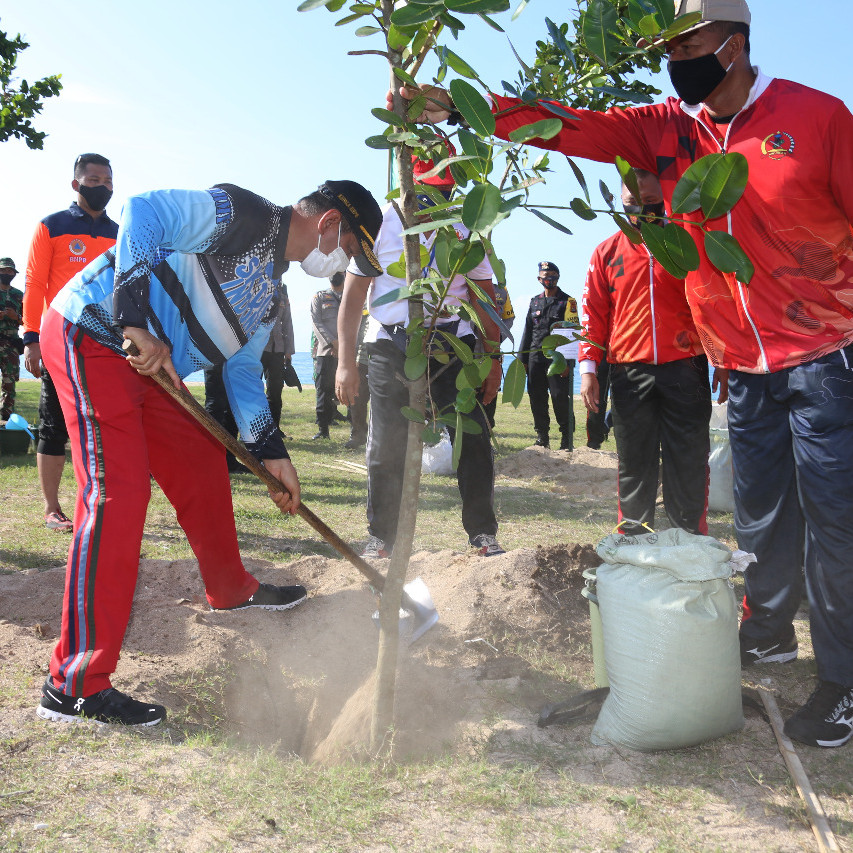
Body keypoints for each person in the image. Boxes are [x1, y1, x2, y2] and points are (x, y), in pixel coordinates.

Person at [396, 0, 853, 747]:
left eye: (689, 41)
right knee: (763, 515)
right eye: (667, 44)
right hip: (740, 368)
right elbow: (568, 122)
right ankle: (767, 632)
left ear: (733, 46)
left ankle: (841, 681)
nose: (675, 56)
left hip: (826, 357)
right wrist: (459, 108)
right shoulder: (664, 130)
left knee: (835, 523)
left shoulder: (818, 117)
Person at [35, 179, 382, 727]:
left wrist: (272, 453)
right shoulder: (242, 215)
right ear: (330, 225)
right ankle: (73, 683)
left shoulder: (270, 290)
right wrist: (133, 320)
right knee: (117, 496)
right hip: (96, 335)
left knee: (200, 462)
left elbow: (241, 370)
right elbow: (144, 211)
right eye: (351, 252)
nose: (343, 265)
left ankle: (231, 589)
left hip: (154, 370)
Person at [336, 163, 505, 558]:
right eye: (428, 196)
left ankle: (482, 533)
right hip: (391, 347)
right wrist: (345, 363)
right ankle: (382, 537)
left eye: (445, 195)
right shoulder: (379, 224)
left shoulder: (467, 229)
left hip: (451, 346)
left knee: (473, 438)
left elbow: (485, 298)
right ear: (409, 189)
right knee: (386, 445)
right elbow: (352, 300)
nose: (436, 206)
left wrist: (493, 360)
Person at [580, 170, 714, 535]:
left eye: (651, 203)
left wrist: (727, 360)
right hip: (628, 372)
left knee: (687, 460)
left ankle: (689, 542)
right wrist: (589, 369)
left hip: (687, 369)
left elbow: (715, 304)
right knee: (634, 462)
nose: (641, 211)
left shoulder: (689, 244)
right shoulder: (606, 252)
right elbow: (593, 313)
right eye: (631, 204)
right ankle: (633, 542)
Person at [22, 153, 119, 533]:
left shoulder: (120, 231)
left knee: (104, 426)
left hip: (107, 344)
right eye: (94, 180)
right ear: (76, 184)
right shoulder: (52, 226)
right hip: (60, 342)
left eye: (109, 181)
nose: (103, 187)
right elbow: (33, 284)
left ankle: (97, 501)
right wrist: (31, 339)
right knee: (54, 426)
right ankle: (51, 508)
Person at [518, 262, 579, 450]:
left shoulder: (568, 302)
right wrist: (523, 361)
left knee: (560, 397)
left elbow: (572, 333)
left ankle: (566, 438)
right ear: (539, 279)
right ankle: (542, 437)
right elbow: (528, 331)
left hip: (558, 358)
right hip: (535, 357)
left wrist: (569, 362)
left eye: (553, 275)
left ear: (558, 277)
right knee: (537, 398)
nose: (549, 279)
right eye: (545, 276)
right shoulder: (534, 301)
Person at [310, 271, 345, 439]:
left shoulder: (351, 297)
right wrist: (332, 342)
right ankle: (323, 430)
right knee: (323, 390)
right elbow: (316, 322)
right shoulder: (319, 297)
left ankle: (357, 431)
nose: (336, 274)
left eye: (339, 271)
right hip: (326, 351)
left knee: (350, 391)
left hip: (346, 353)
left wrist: (344, 344)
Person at [262, 282, 297, 431]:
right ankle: (253, 429)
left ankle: (275, 429)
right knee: (253, 391)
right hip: (258, 349)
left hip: (278, 350)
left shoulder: (283, 297)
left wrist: (288, 351)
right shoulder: (258, 291)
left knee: (275, 391)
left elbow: (287, 324)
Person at [0, 257, 24, 423]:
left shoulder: (18, 295)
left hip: (11, 344)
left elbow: (28, 320)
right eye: (4, 270)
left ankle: (6, 420)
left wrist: (16, 317)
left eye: (10, 271)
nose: (7, 273)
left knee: (9, 384)